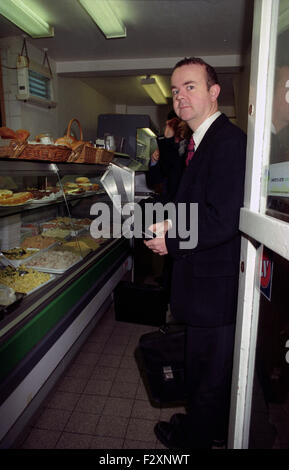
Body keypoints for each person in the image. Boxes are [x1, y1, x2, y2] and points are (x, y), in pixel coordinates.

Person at [144, 57, 247, 449]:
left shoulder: (228, 142)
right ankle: (196, 429)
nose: (180, 96)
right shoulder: (200, 141)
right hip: (201, 286)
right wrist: (171, 223)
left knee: (208, 380)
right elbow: (203, 206)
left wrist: (170, 241)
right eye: (175, 90)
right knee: (203, 372)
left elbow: (224, 218)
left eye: (190, 86)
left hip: (214, 292)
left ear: (214, 91)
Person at [146, 110, 191, 203]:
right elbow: (152, 181)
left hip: (186, 203)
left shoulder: (191, 145)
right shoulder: (161, 144)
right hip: (167, 202)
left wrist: (169, 140)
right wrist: (154, 161)